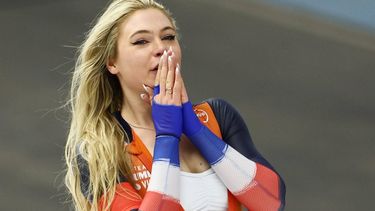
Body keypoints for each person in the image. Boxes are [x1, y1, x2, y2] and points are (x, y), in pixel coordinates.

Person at [64, 0, 286, 210]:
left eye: (169, 37)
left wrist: (195, 129)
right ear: (112, 62)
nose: (161, 48)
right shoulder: (97, 149)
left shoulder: (216, 116)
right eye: (141, 41)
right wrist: (167, 137)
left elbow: (271, 201)